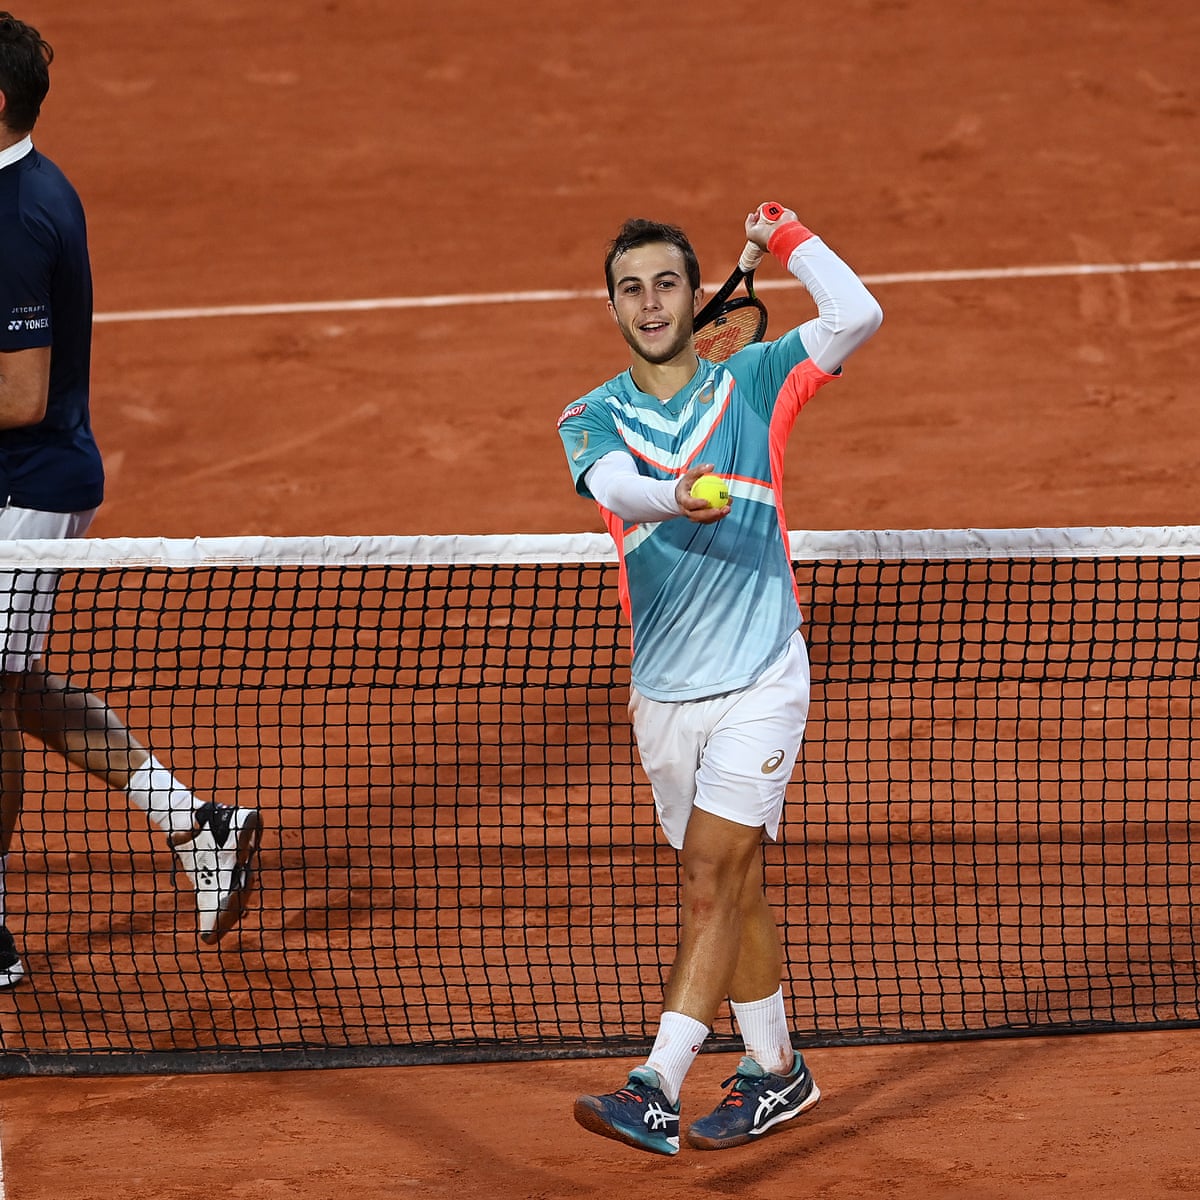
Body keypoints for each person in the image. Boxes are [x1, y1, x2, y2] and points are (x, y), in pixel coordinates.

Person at [556, 202, 882, 1155]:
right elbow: (616, 488)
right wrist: (674, 496)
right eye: (631, 289)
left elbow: (857, 315)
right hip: (662, 695)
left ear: (698, 295)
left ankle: (655, 1085)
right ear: (612, 308)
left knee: (709, 876)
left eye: (667, 284)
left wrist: (787, 235)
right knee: (731, 883)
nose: (650, 303)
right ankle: (776, 1072)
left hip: (761, 674)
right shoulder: (591, 415)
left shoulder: (759, 378)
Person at [0, 11, 262, 988]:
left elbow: (20, 396)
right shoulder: (20, 189)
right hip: (16, 481)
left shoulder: (19, 218)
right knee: (14, 685)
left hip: (27, 492)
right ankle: (198, 825)